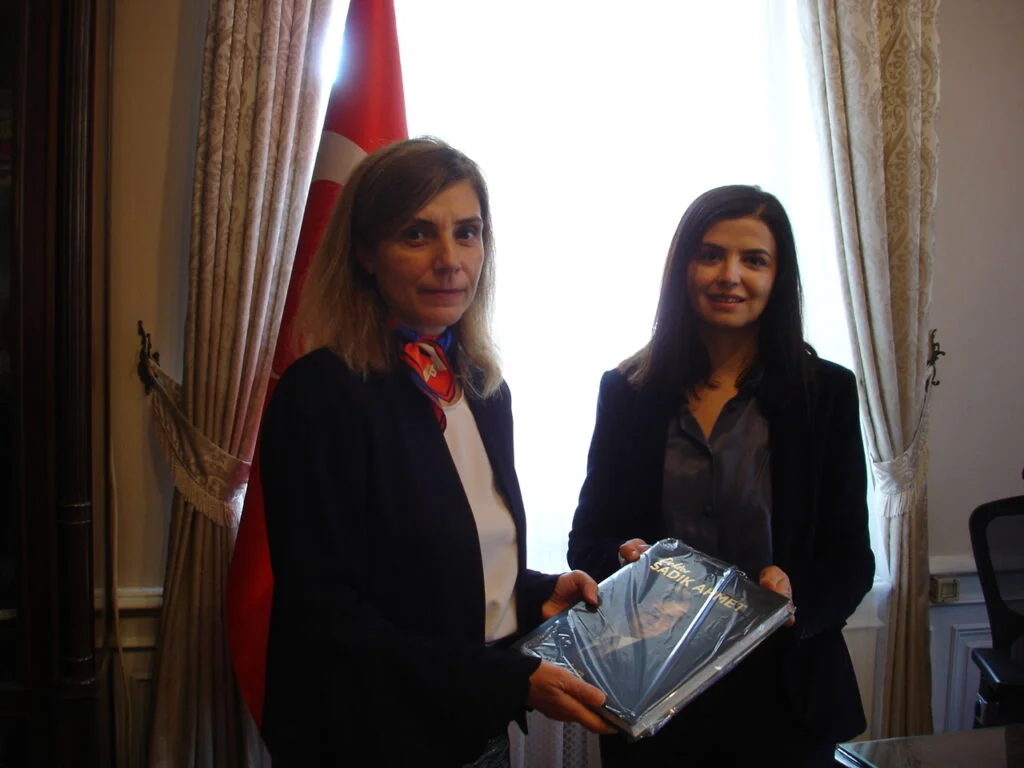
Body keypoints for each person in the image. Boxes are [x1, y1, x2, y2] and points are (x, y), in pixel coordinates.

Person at [259, 137, 613, 767]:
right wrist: (509, 680)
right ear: (366, 252)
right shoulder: (321, 394)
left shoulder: (482, 387)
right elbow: (328, 621)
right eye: (417, 234)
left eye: (467, 233)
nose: (450, 260)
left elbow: (439, 571)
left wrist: (535, 594)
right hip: (368, 743)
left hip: (474, 734)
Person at [567, 185, 875, 766]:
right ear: (683, 268)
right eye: (710, 255)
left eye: (753, 260)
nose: (729, 275)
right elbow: (588, 541)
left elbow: (850, 559)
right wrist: (625, 560)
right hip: (652, 690)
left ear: (778, 277)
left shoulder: (826, 394)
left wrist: (796, 598)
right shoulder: (628, 391)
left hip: (786, 694)